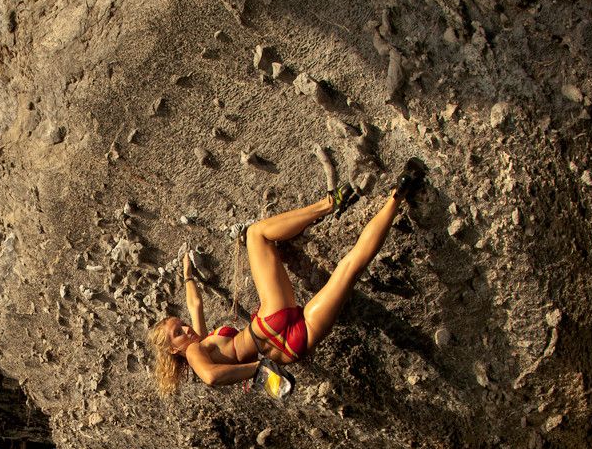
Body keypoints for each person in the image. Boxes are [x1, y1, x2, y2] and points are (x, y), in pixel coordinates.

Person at [148, 159, 427, 397]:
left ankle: (398, 194)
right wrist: (258, 370)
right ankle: (329, 204)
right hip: (269, 325)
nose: (186, 329)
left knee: (348, 270)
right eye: (178, 333)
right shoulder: (196, 353)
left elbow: (195, 304)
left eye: (181, 324)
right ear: (173, 350)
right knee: (256, 235)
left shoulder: (200, 342)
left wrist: (187, 275)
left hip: (290, 349)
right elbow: (210, 377)